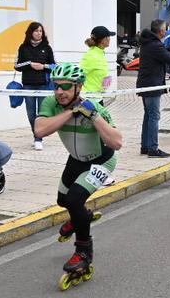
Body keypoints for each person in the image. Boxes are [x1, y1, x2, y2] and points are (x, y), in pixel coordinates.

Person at [33, 63, 123, 286]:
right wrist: (70, 113)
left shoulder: (95, 108)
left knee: (74, 200)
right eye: (56, 86)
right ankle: (80, 217)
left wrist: (93, 117)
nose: (59, 92)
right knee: (63, 201)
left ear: (79, 87)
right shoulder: (51, 103)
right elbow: (40, 130)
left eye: (65, 86)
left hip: (101, 160)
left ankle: (83, 252)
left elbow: (117, 142)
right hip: (76, 159)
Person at [137, 19, 170, 158]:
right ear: (161, 31)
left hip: (145, 84)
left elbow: (162, 54)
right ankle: (153, 148)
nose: (166, 31)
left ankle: (145, 146)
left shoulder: (148, 43)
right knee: (154, 116)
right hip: (152, 85)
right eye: (165, 29)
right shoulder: (155, 45)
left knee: (148, 115)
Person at [15, 21, 56, 150]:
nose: (39, 33)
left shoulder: (47, 48)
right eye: (36, 31)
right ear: (30, 32)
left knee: (42, 113)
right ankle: (36, 134)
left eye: (41, 31)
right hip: (28, 85)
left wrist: (43, 66)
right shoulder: (23, 47)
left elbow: (55, 66)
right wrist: (29, 64)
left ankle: (39, 138)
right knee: (31, 113)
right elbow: (16, 66)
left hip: (43, 85)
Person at [80, 25, 114, 103]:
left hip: (98, 97)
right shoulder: (91, 55)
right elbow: (79, 75)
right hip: (89, 100)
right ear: (104, 39)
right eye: (109, 36)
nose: (110, 39)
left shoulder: (100, 53)